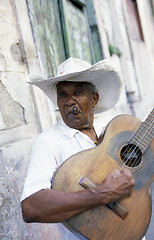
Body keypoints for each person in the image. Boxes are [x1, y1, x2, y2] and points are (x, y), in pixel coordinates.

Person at [21, 58, 145, 240]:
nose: (69, 101)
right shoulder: (49, 142)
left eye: (77, 92)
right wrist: (101, 193)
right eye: (62, 95)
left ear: (94, 99)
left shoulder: (112, 129)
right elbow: (30, 207)